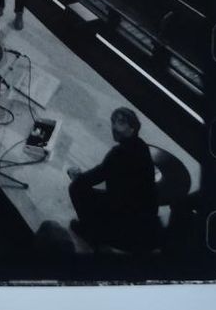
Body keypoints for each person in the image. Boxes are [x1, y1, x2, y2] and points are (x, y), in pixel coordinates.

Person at [67, 107, 161, 254]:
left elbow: (95, 176)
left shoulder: (117, 154)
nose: (114, 126)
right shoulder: (142, 146)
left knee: (75, 188)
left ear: (132, 128)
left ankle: (90, 233)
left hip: (124, 216)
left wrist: (77, 177)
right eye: (113, 121)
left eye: (121, 122)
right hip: (142, 212)